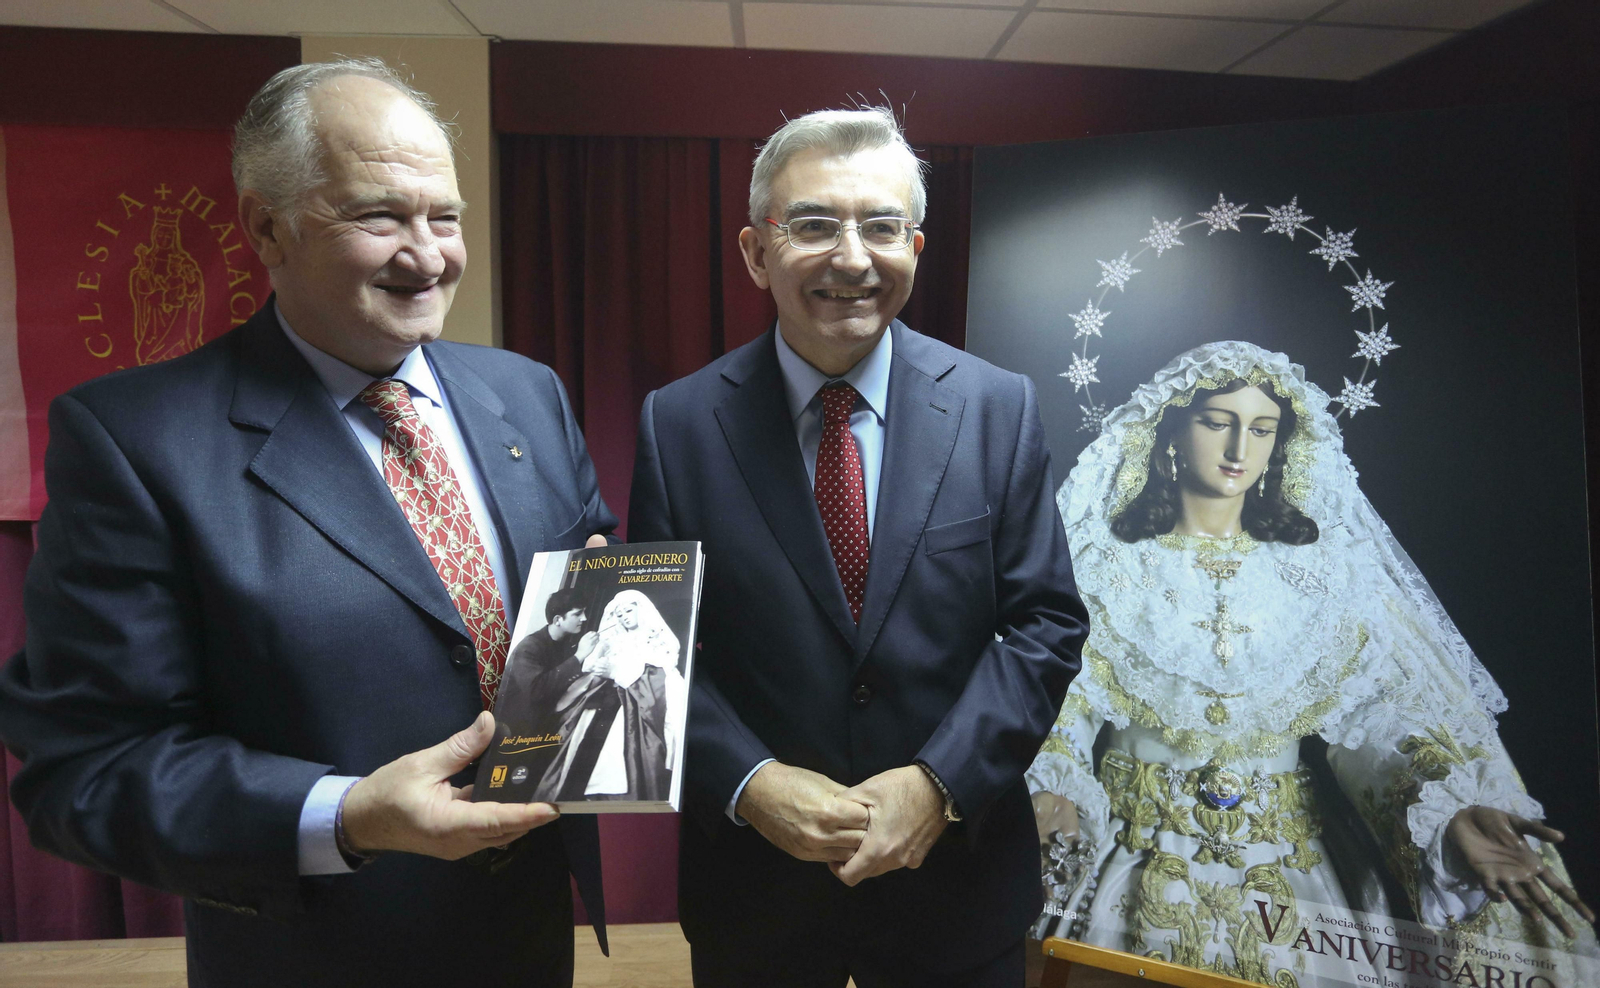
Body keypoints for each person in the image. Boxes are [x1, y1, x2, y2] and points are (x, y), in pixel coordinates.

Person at [0, 59, 616, 988]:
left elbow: (583, 593)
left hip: (527, 938)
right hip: (315, 955)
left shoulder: (526, 395)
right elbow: (86, 770)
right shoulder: (134, 441)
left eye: (443, 217)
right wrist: (348, 815)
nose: (427, 254)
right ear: (265, 227)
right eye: (379, 217)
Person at [628, 106, 1090, 987]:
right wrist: (751, 782)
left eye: (881, 227)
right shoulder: (678, 424)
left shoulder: (998, 408)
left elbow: (1045, 625)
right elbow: (652, 652)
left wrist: (939, 784)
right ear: (756, 252)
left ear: (915, 247)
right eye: (813, 225)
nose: (851, 258)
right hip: (757, 891)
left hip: (956, 883)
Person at [1028, 341, 1596, 986]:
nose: (1240, 448)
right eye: (1218, 422)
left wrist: (1448, 809)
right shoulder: (1101, 566)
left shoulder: (1327, 580)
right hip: (1131, 862)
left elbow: (1381, 717)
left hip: (1294, 876)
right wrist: (1054, 782)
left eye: (1262, 429)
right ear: (1172, 435)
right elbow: (1056, 697)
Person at [539, 589, 686, 803]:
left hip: (633, 708)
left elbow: (657, 680)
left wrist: (615, 673)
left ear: (641, 610)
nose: (625, 616)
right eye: (620, 615)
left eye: (628, 610)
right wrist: (599, 667)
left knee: (621, 756)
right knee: (579, 748)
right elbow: (593, 668)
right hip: (603, 702)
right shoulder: (614, 641)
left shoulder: (657, 641)